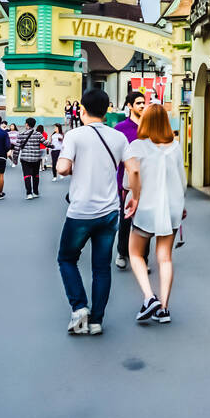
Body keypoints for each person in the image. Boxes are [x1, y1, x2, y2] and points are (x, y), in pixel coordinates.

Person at [55, 88, 129, 336]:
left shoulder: (74, 135)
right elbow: (133, 168)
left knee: (66, 258)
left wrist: (69, 165)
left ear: (82, 110)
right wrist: (135, 196)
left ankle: (79, 308)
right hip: (109, 212)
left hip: (81, 212)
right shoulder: (119, 138)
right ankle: (96, 321)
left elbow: (63, 168)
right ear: (107, 109)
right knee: (101, 267)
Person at [121, 104, 187, 324]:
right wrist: (181, 204)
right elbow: (182, 180)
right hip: (172, 208)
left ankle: (150, 297)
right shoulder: (175, 147)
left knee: (136, 253)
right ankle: (164, 309)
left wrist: (134, 197)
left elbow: (131, 177)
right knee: (165, 257)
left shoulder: (137, 146)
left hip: (146, 207)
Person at [114, 91, 147, 269]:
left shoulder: (149, 128)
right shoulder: (120, 129)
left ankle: (143, 258)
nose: (142, 105)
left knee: (146, 221)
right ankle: (122, 252)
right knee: (126, 219)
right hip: (126, 182)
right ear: (130, 106)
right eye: (139, 103)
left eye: (144, 103)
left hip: (147, 182)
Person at [16, 117, 45, 199]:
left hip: (25, 158)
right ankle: (36, 192)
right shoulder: (38, 134)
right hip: (36, 158)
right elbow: (45, 142)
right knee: (36, 175)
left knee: (27, 175)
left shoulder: (22, 134)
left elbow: (17, 148)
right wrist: (52, 145)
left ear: (27, 124)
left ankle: (29, 193)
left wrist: (15, 159)